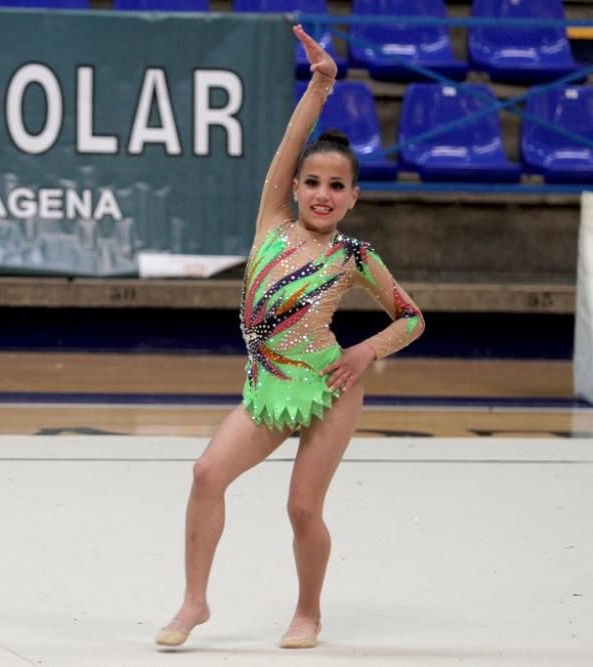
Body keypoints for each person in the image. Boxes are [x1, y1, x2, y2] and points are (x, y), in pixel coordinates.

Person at [155, 24, 425, 650]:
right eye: (313, 182)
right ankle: (195, 602)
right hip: (268, 389)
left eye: (336, 186)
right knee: (205, 473)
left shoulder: (355, 256)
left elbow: (411, 317)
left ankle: (309, 611)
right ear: (295, 189)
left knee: (303, 508)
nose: (322, 194)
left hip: (329, 386)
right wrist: (321, 86)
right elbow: (286, 146)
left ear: (353, 197)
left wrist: (364, 350)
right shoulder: (272, 223)